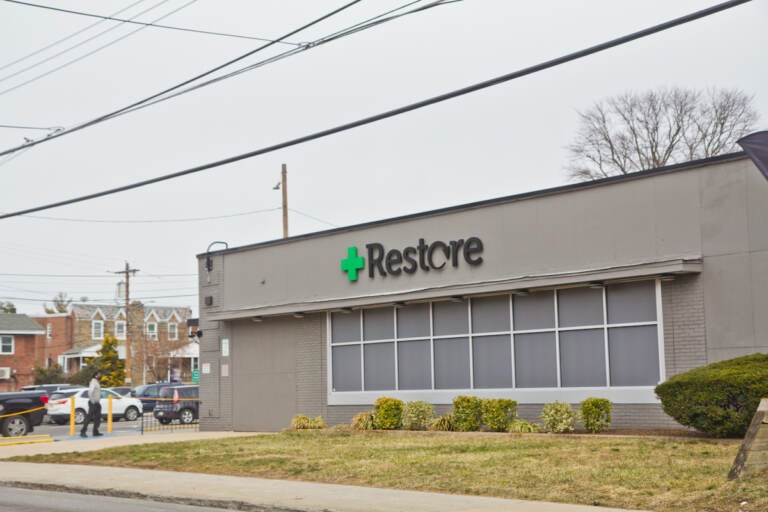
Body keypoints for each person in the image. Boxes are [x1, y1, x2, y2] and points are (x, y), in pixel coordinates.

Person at [80, 370, 103, 437]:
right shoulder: (93, 382)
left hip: (97, 403)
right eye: (99, 374)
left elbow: (96, 392)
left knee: (98, 417)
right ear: (95, 375)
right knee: (89, 417)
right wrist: (93, 401)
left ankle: (95, 431)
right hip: (93, 403)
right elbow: (90, 392)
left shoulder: (97, 382)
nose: (100, 376)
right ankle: (83, 432)